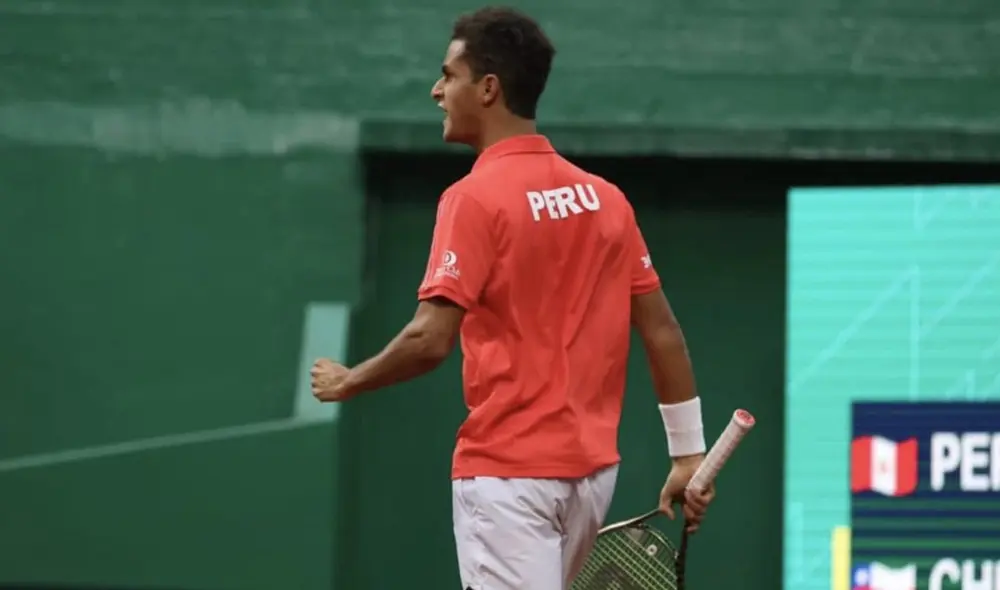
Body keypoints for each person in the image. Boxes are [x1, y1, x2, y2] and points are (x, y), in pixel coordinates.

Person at [310, 6, 715, 589]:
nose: (437, 90)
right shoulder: (606, 200)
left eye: (449, 75)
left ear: (489, 88)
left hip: (507, 478)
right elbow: (661, 331)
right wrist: (686, 454)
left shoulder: (473, 198)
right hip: (592, 478)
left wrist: (351, 381)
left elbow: (429, 339)